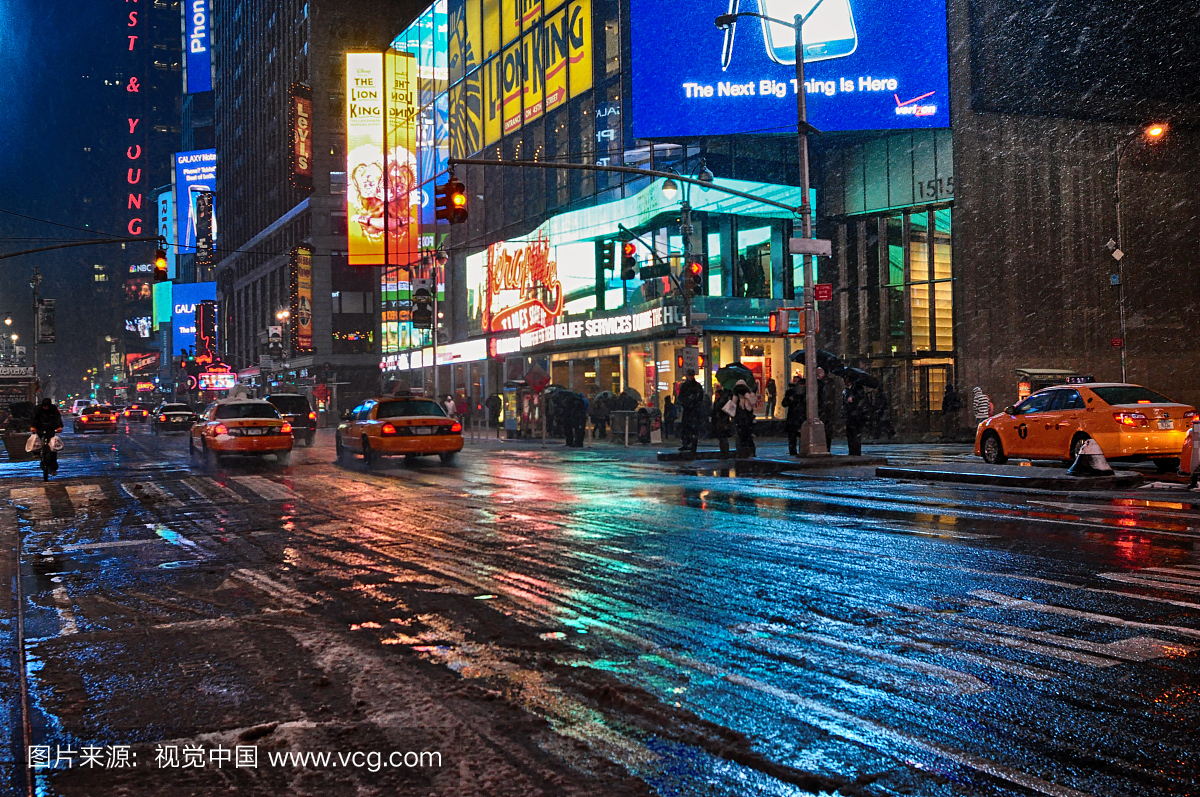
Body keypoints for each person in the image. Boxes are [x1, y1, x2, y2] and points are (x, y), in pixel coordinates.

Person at [31, 398, 63, 481]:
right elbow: (34, 418)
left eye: (47, 406)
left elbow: (57, 418)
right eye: (44, 406)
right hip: (40, 428)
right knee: (36, 442)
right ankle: (36, 453)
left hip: (51, 429)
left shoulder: (53, 409)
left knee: (53, 448)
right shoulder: (38, 409)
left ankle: (53, 466)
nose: (46, 408)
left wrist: (59, 427)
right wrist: (33, 427)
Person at [676, 370, 705, 454]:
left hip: (694, 410)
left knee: (693, 429)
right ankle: (686, 444)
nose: (690, 377)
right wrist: (685, 403)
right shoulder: (685, 386)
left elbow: (700, 398)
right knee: (686, 428)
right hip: (688, 410)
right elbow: (681, 397)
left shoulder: (696, 386)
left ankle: (692, 445)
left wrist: (693, 402)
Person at [842, 380, 869, 457]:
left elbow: (861, 401)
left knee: (855, 434)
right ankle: (852, 451)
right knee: (850, 434)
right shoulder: (847, 390)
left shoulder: (857, 389)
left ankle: (856, 452)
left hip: (855, 415)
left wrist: (853, 400)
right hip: (850, 415)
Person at [781, 375, 806, 456]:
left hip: (801, 418)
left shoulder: (805, 393)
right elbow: (784, 403)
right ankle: (793, 452)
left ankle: (801, 451)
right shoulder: (790, 392)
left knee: (801, 437)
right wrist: (790, 399)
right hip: (793, 418)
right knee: (792, 437)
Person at [732, 380, 758, 457]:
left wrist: (746, 395)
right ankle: (743, 453)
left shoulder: (750, 394)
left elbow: (752, 403)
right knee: (741, 437)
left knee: (748, 437)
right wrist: (736, 395)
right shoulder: (736, 396)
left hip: (748, 419)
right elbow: (733, 404)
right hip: (739, 419)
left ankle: (750, 452)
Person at [709, 388, 734, 457]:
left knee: (723, 437)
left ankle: (725, 451)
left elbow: (721, 411)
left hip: (722, 421)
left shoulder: (721, 402)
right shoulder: (718, 401)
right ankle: (724, 451)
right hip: (719, 421)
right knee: (721, 437)